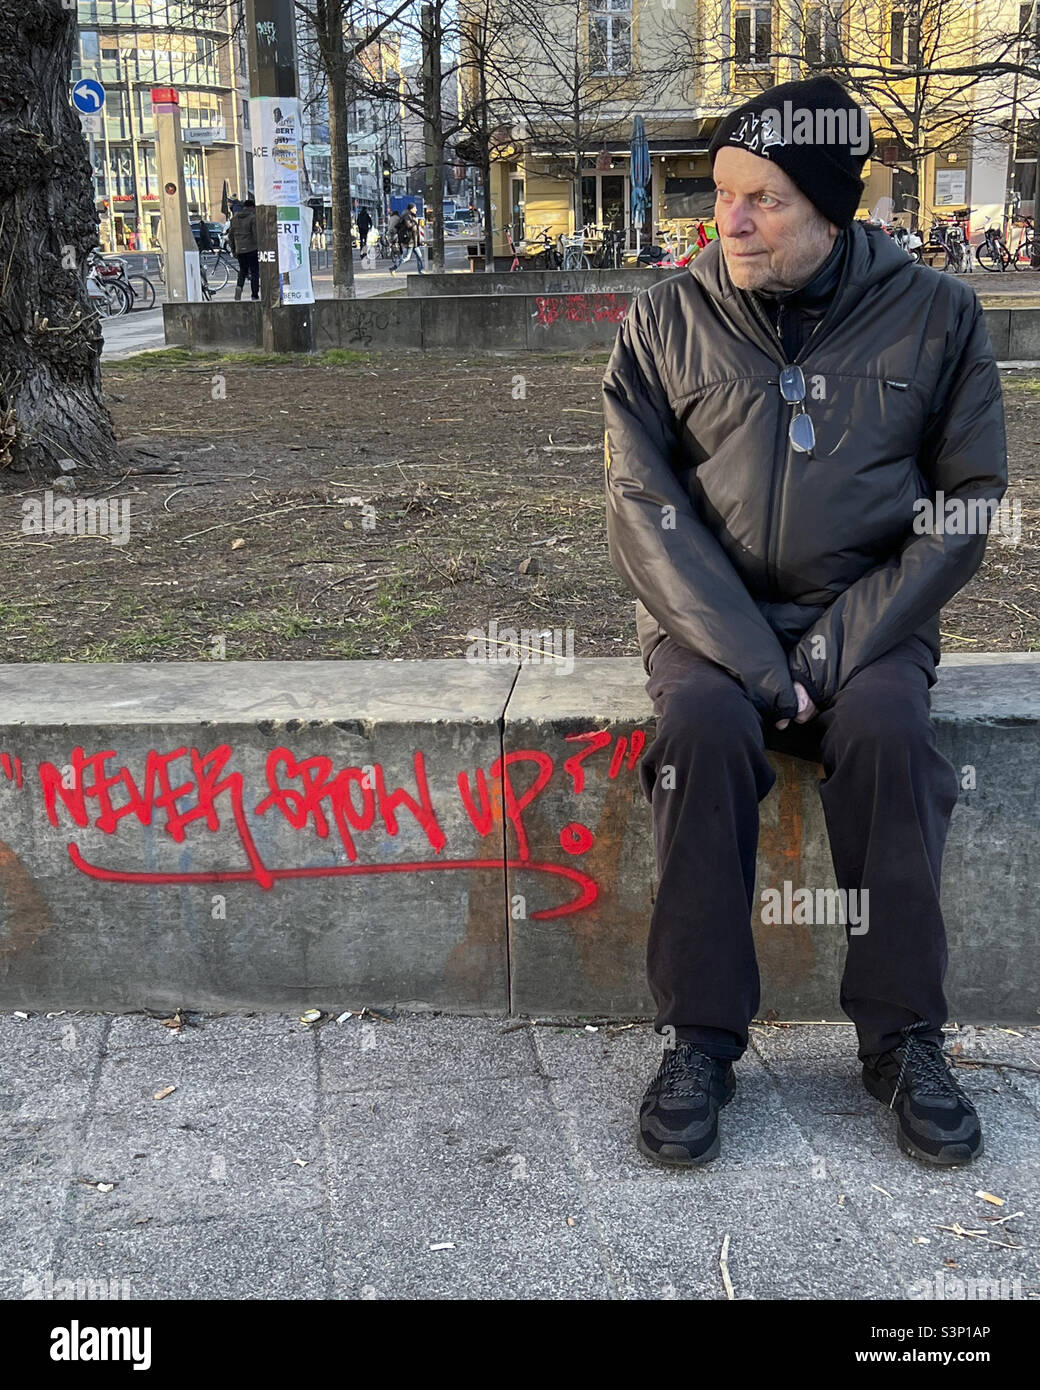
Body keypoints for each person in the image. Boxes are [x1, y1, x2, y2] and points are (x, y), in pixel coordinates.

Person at [602, 76, 1007, 1170]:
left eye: (762, 199)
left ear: (833, 209)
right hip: (706, 625)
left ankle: (903, 1039)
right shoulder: (663, 318)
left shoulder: (938, 315)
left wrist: (827, 650)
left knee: (884, 737)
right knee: (698, 736)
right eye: (722, 193)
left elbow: (964, 503)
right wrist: (749, 658)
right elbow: (642, 508)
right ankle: (698, 1038)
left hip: (867, 622)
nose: (727, 221)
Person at [228, 196, 259, 301]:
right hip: (252, 249)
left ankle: (239, 287)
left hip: (240, 249)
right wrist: (259, 245)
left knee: (243, 270)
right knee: (255, 271)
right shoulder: (253, 218)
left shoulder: (234, 219)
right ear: (251, 208)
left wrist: (234, 250)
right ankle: (254, 295)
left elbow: (230, 236)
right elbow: (255, 235)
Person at [389, 203, 425, 275]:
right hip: (409, 240)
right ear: (411, 208)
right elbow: (408, 225)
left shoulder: (410, 215)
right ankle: (394, 268)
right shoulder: (407, 215)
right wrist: (415, 222)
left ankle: (420, 271)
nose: (416, 210)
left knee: (419, 256)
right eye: (415, 208)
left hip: (413, 240)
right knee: (407, 257)